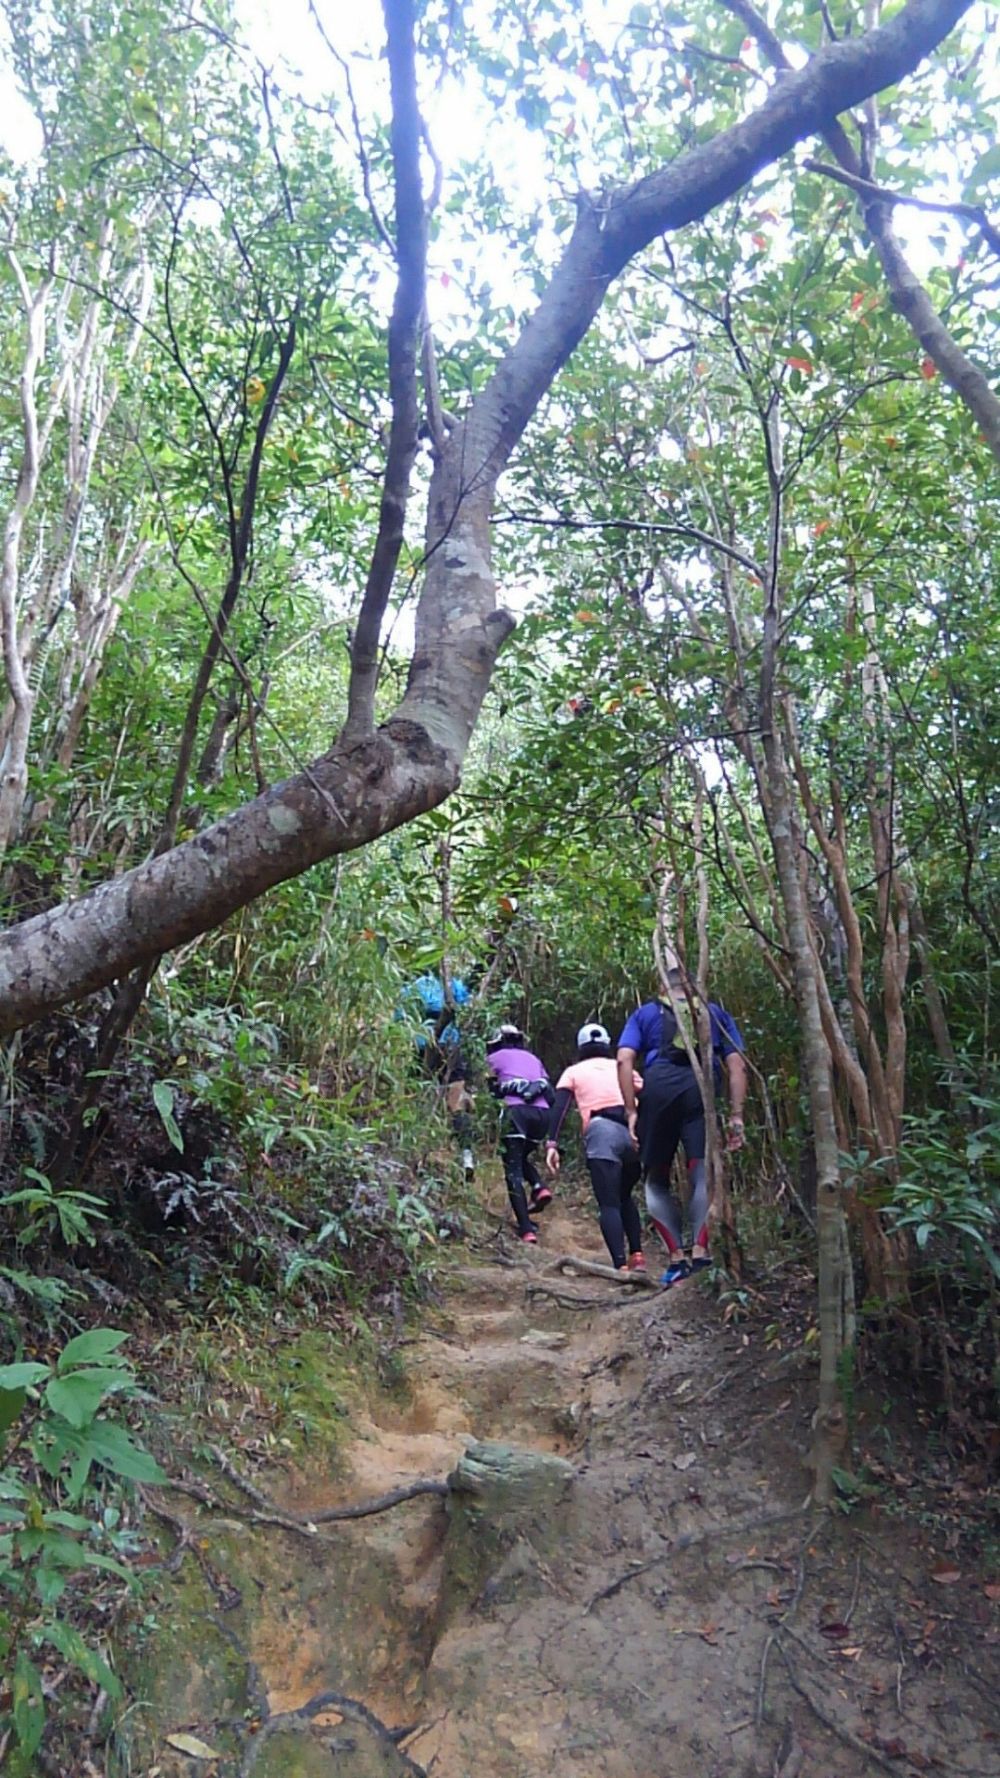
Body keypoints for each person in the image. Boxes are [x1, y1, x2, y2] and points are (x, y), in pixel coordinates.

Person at [617, 969, 747, 1287]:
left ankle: (676, 1258)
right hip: (701, 1088)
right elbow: (737, 1065)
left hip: (658, 1088)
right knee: (701, 1170)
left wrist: (631, 1111)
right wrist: (736, 1115)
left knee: (656, 1176)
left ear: (662, 985)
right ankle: (701, 1252)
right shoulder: (714, 1013)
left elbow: (624, 1060)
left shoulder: (645, 1013)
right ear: (693, 985)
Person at [544, 1023, 646, 1275]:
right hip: (633, 1132)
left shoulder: (573, 1072)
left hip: (602, 1133)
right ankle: (638, 1256)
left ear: (580, 1047)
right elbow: (647, 1094)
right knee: (625, 1196)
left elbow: (560, 1107)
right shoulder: (622, 1067)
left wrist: (552, 1144)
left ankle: (621, 1266)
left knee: (609, 1203)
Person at [401, 971, 475, 1177]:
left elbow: (401, 1017)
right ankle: (467, 1156)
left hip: (423, 1046)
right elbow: (466, 1004)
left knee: (419, 1099)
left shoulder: (413, 988)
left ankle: (418, 1155)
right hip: (451, 1045)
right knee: (456, 1102)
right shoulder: (454, 985)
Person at [485, 1024, 554, 1245]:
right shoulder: (533, 1058)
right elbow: (549, 1090)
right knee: (521, 1157)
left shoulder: (494, 1058)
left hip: (516, 1112)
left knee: (512, 1169)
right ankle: (538, 1186)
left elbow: (488, 1088)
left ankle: (526, 1229)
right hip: (542, 1114)